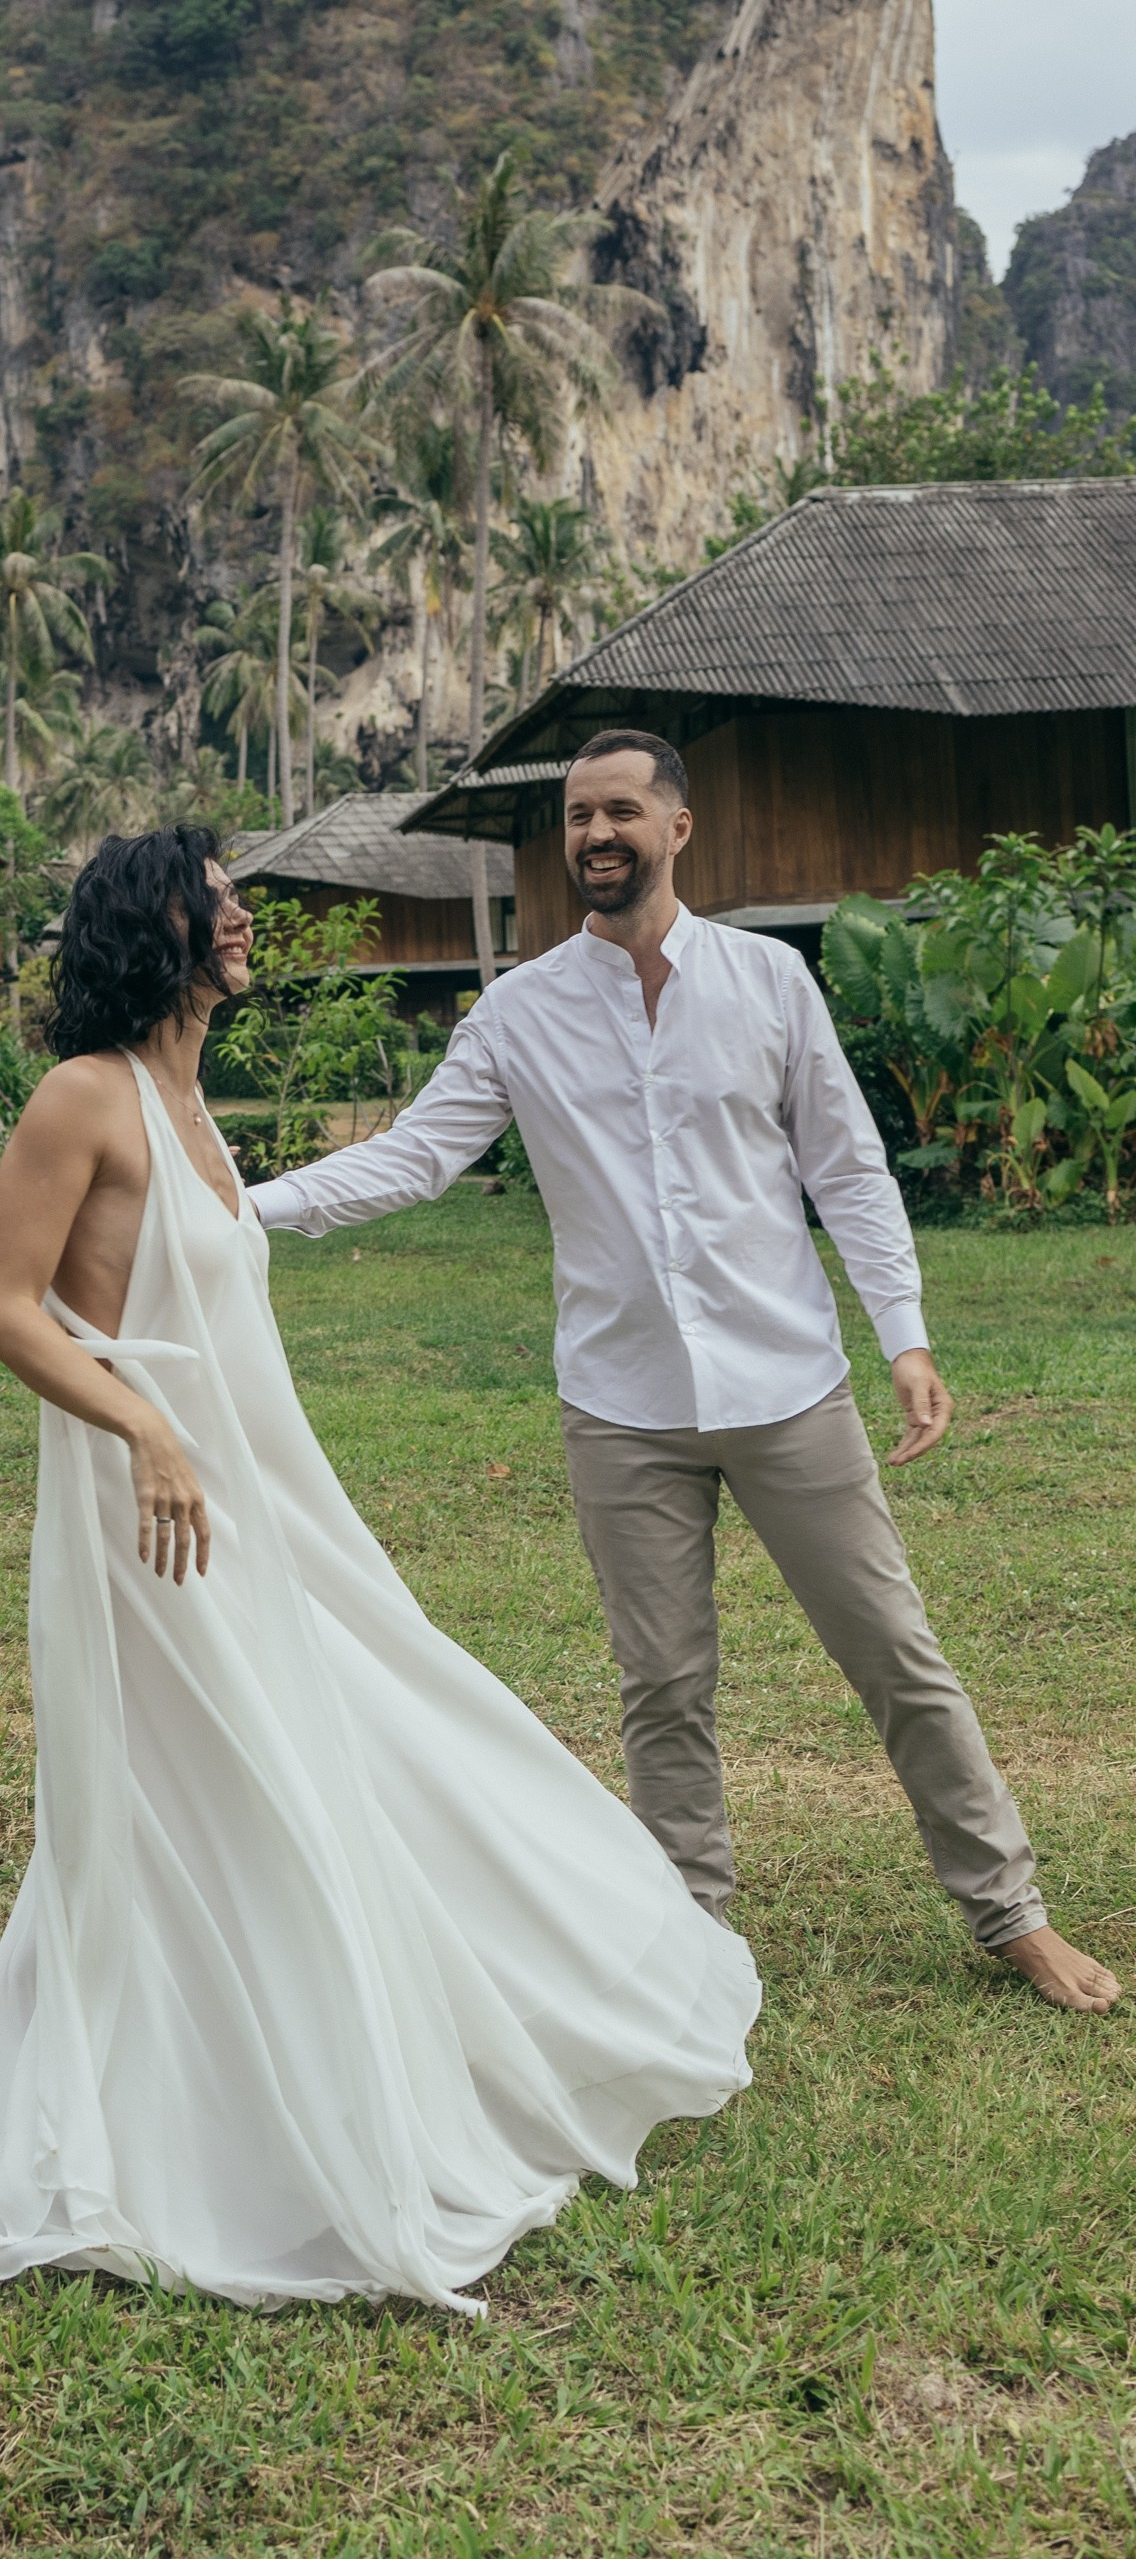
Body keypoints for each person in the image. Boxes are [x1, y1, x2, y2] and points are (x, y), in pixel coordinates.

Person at [0, 826, 760, 2313]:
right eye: (217, 902)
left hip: (253, 1503)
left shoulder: (189, 1104)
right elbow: (5, 1311)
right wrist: (146, 1429)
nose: (242, 921)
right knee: (242, 1787)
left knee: (369, 1735)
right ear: (151, 927)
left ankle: (320, 2056)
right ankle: (227, 2125)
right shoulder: (80, 1098)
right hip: (151, 1517)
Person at [253, 729, 1119, 2018]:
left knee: (899, 1657)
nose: (595, 836)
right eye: (576, 817)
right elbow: (414, 1159)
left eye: (619, 812)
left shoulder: (770, 982)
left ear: (678, 827)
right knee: (663, 1689)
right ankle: (690, 1938)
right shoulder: (519, 1011)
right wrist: (235, 1205)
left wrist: (906, 1335)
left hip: (789, 1389)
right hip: (624, 1408)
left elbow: (846, 1168)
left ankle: (1009, 1917)